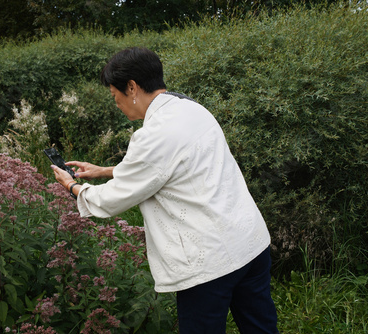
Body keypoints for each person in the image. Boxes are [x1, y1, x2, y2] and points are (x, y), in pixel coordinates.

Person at [51, 47, 279, 334]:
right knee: (261, 328)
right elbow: (171, 167)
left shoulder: (152, 135)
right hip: (249, 242)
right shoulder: (191, 108)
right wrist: (104, 170)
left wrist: (72, 186)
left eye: (115, 96)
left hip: (209, 263)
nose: (117, 104)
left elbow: (111, 199)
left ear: (131, 87)